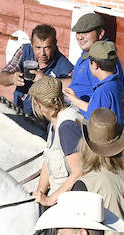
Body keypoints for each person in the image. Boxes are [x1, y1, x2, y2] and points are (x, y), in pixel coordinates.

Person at [0, 24, 75, 117]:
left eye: (47, 47)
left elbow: (77, 85)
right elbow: (1, 78)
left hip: (44, 121)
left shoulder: (63, 64)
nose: (42, 53)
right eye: (38, 48)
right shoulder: (24, 51)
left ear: (54, 45)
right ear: (31, 45)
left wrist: (47, 80)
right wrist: (12, 78)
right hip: (19, 111)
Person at [29, 76, 83, 208]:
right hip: (59, 196)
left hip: (69, 202)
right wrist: (40, 192)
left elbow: (79, 172)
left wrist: (49, 200)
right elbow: (48, 161)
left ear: (39, 104)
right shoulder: (54, 123)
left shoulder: (66, 127)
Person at [68, 41, 124, 122]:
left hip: (105, 134)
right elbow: (93, 108)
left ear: (95, 65)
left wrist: (74, 100)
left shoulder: (103, 90)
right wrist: (74, 99)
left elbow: (93, 115)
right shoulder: (116, 83)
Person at [64, 11, 109, 104]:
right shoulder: (86, 54)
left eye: (85, 32)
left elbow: (102, 102)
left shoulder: (102, 59)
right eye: (78, 32)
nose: (80, 37)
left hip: (84, 114)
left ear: (100, 34)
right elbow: (77, 83)